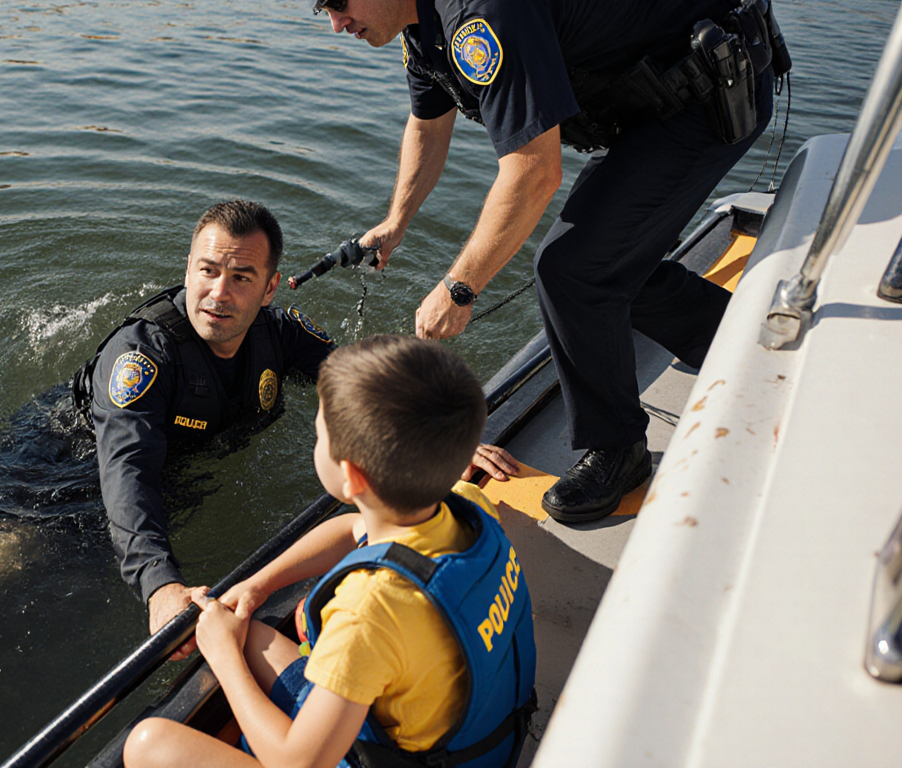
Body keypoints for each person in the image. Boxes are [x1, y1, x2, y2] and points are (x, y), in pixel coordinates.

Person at [309, 0, 784, 522]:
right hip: (643, 104)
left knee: (571, 270)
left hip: (703, 92)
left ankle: (618, 449)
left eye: (339, 2)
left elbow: (534, 172)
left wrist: (460, 287)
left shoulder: (481, 14)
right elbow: (428, 122)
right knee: (607, 262)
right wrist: (395, 220)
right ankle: (735, 339)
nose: (335, 23)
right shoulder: (420, 29)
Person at [75, 200, 520, 641]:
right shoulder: (142, 357)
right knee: (11, 552)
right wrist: (160, 585)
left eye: (241, 278)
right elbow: (126, 470)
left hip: (184, 469)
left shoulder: (281, 334)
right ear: (188, 268)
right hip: (63, 469)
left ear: (269, 289)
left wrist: (439, 440)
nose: (219, 293)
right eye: (207, 271)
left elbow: (362, 383)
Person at [123, 334, 535, 768]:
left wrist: (224, 658)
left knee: (149, 744)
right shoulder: (468, 510)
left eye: (320, 436)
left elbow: (298, 762)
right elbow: (353, 527)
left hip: (368, 759)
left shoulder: (369, 611)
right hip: (478, 744)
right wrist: (258, 585)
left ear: (352, 476)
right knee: (252, 632)